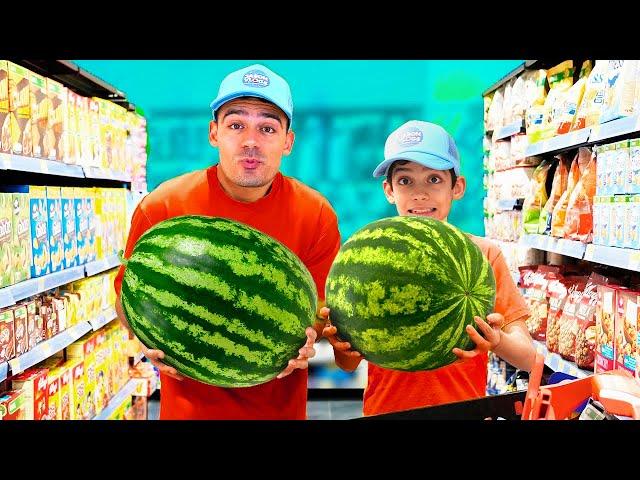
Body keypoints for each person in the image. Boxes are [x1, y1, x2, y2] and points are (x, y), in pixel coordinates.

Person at [114, 64, 341, 419]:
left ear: (287, 141)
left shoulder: (316, 214)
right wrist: (144, 338)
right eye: (236, 125)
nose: (250, 141)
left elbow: (320, 315)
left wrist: (310, 337)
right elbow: (125, 299)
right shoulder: (163, 206)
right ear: (214, 132)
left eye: (267, 127)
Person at [321, 120, 536, 417]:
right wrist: (343, 347)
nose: (419, 194)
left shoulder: (483, 256)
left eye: (433, 179)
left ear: (456, 187)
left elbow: (529, 358)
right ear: (389, 190)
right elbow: (348, 364)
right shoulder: (368, 259)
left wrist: (497, 341)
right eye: (405, 181)